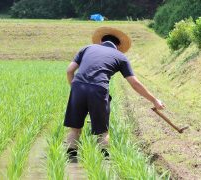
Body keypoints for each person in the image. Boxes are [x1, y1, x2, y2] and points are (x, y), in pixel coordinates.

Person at [64, 27, 165, 158]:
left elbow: (69, 71)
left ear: (101, 41)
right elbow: (134, 83)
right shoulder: (121, 57)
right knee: (102, 131)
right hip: (98, 89)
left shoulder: (87, 48)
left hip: (78, 86)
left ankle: (70, 161)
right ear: (118, 46)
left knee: (75, 129)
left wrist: (76, 90)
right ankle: (105, 164)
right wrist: (154, 100)